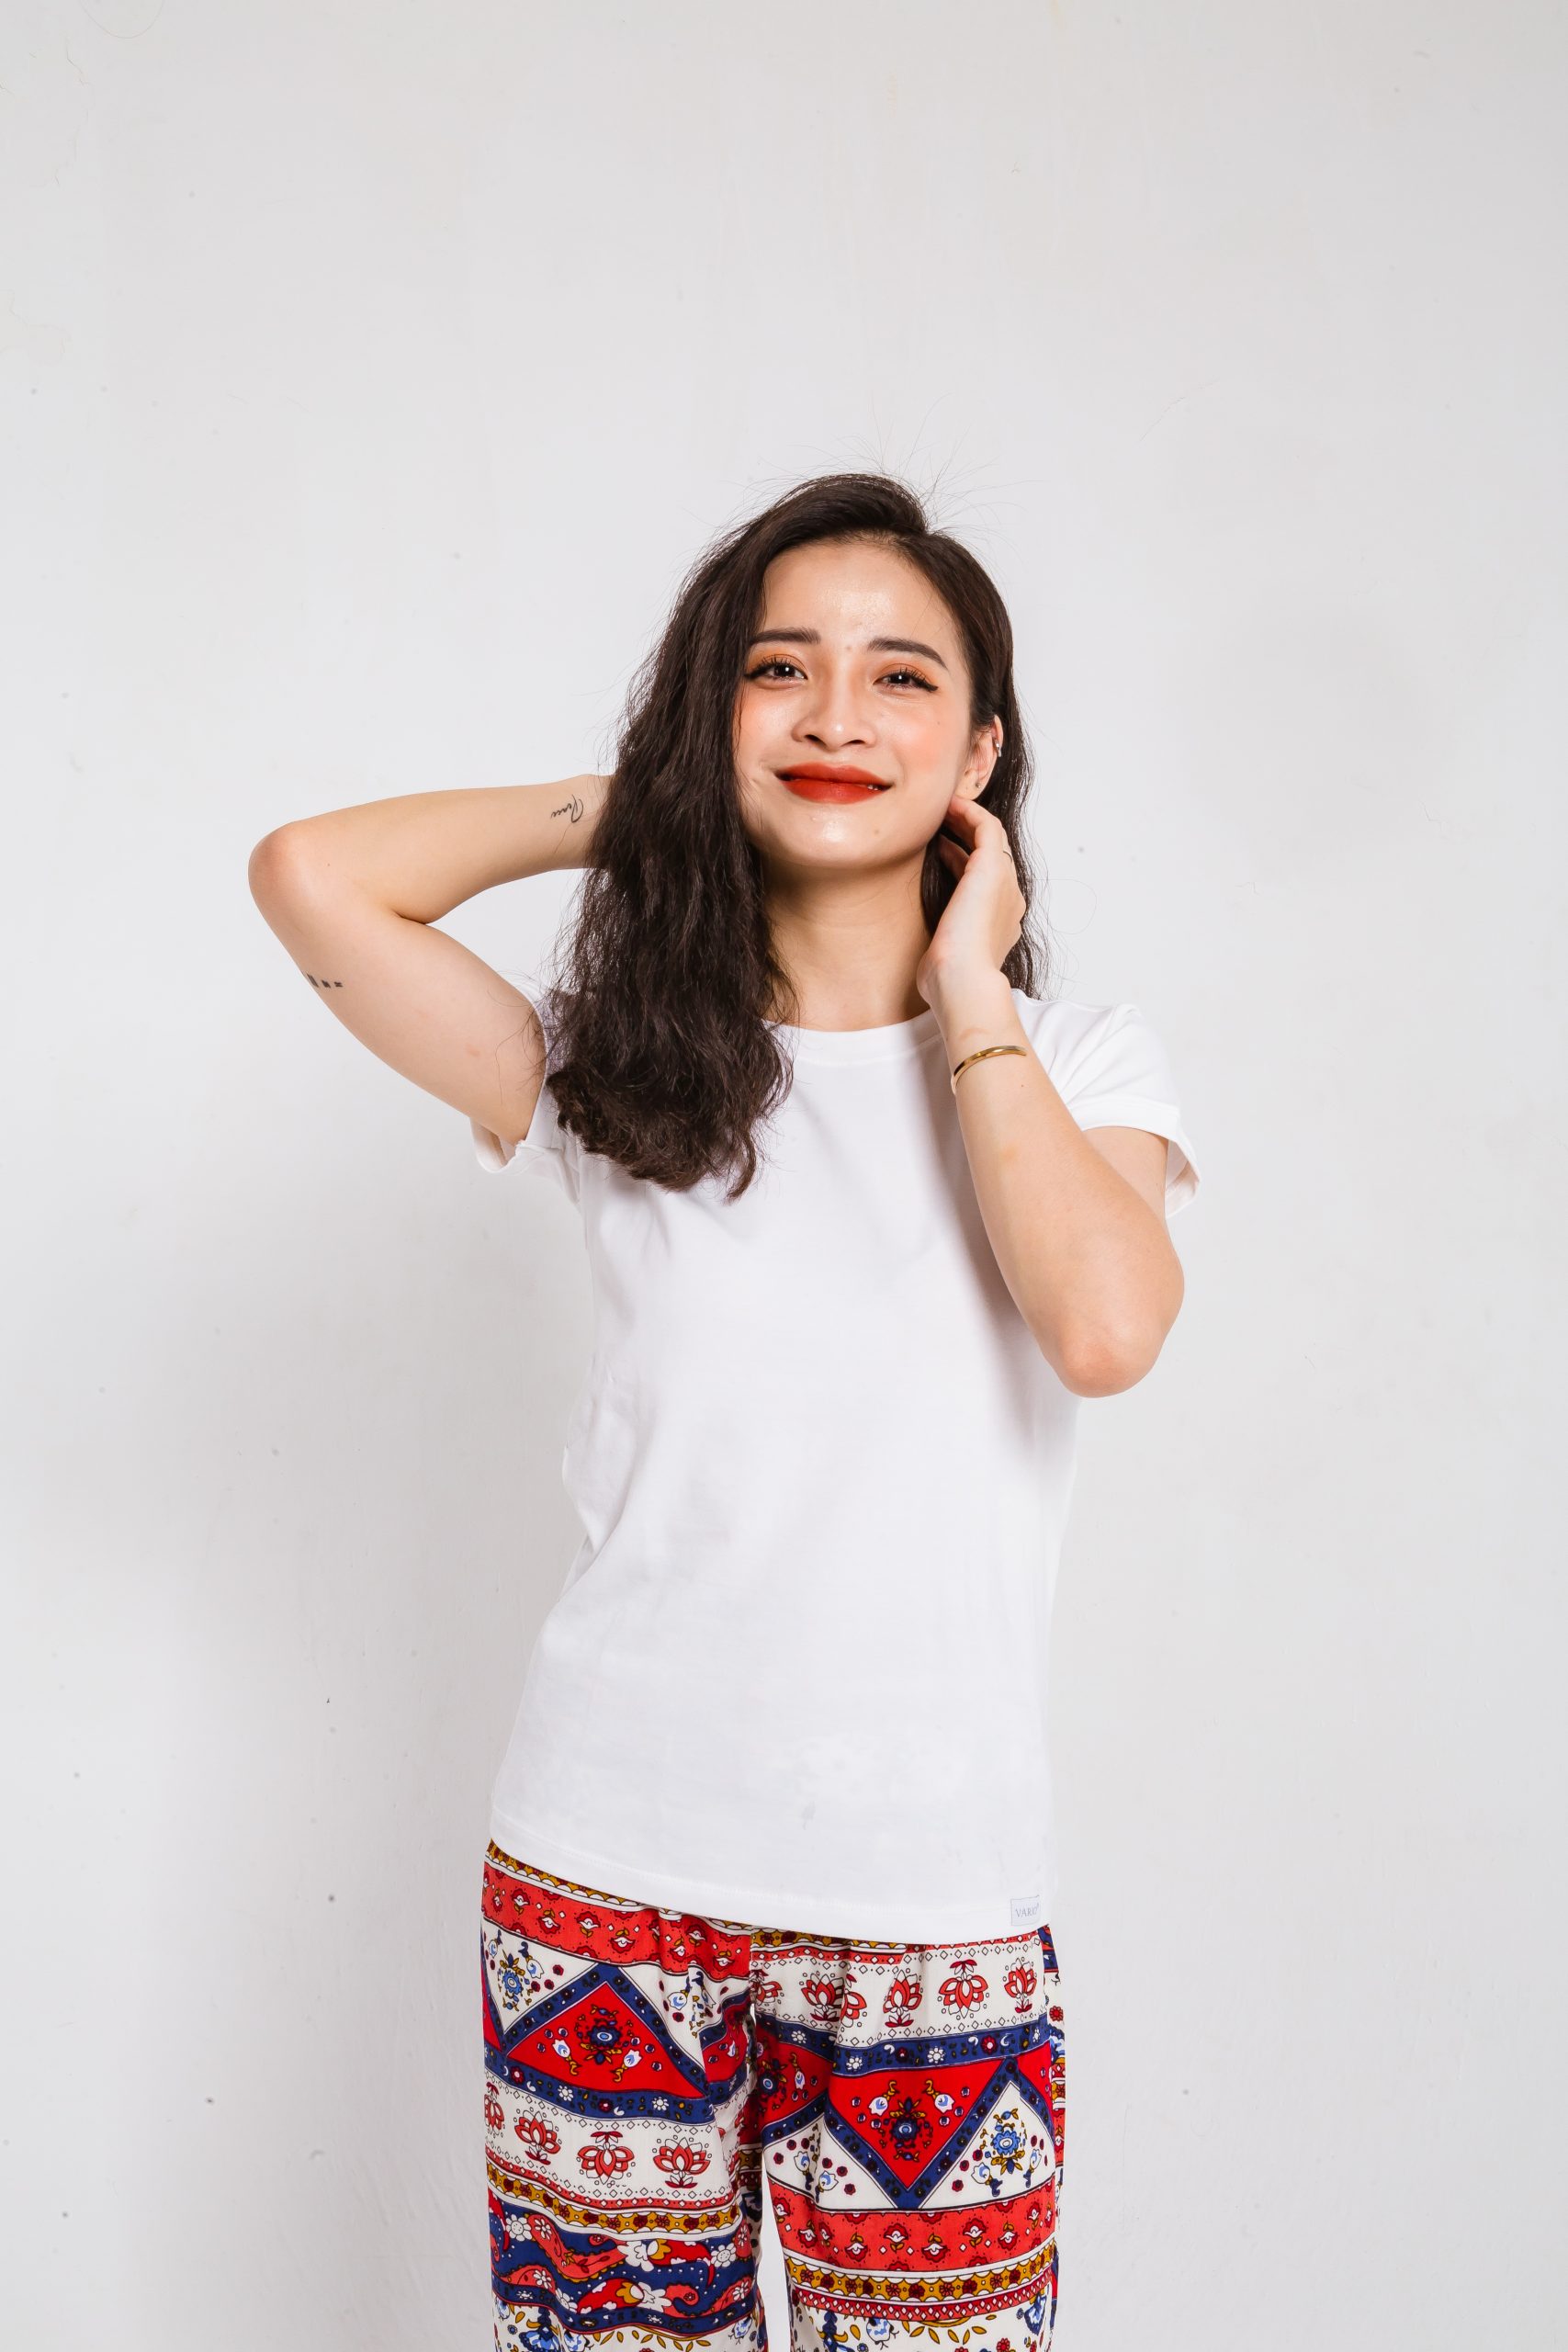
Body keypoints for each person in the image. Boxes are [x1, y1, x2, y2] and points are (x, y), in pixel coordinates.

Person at [248, 470, 1201, 2352]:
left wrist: (968, 994)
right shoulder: (617, 1076)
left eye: (900, 677)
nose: (838, 713)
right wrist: (656, 799)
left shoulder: (1074, 1063)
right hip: (605, 1880)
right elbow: (310, 875)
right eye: (778, 669)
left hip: (932, 1906)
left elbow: (1102, 1328)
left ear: (981, 750)